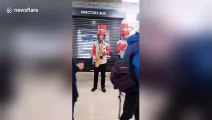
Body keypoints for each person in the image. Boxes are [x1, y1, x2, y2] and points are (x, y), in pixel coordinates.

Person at [120, 32, 140, 120]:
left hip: (129, 82)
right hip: (135, 85)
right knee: (128, 113)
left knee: (136, 110)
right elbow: (138, 69)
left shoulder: (132, 42)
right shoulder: (139, 45)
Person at [91, 24, 110, 93]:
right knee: (95, 75)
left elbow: (108, 51)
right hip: (97, 61)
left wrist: (105, 51)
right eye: (100, 35)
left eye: (102, 35)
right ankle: (95, 86)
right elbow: (93, 51)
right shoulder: (95, 43)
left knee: (103, 75)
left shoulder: (107, 43)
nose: (101, 36)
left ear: (104, 36)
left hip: (104, 62)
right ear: (98, 36)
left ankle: (103, 86)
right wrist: (93, 56)